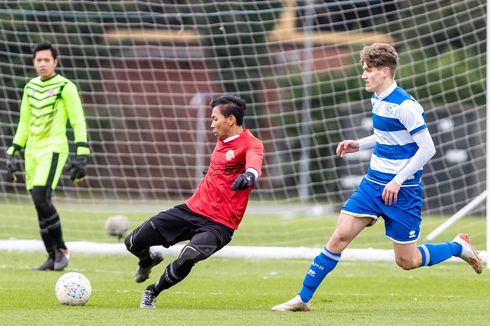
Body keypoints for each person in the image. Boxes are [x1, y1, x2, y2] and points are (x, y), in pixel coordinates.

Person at [271, 43, 482, 312]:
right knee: (339, 236)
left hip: (402, 192)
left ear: (385, 71)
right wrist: (359, 144)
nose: (364, 75)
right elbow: (386, 137)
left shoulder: (405, 105)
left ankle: (457, 247)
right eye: (363, 70)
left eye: (368, 70)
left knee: (407, 261)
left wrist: (398, 180)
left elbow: (428, 148)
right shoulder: (377, 98)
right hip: (372, 186)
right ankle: (303, 298)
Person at [125, 94, 264, 309]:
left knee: (189, 256)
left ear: (231, 120)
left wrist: (249, 176)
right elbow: (223, 168)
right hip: (190, 210)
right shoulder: (222, 141)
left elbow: (254, 163)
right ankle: (148, 260)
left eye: (215, 119)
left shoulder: (252, 144)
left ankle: (153, 291)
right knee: (133, 241)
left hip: (220, 225)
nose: (211, 124)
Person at [5, 43, 90, 271]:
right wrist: (14, 151)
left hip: (53, 149)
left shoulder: (65, 87)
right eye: (38, 60)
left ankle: (61, 249)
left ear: (55, 62)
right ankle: (52, 256)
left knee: (42, 197)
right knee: (38, 202)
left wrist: (81, 152)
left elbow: (78, 120)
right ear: (33, 63)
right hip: (31, 151)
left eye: (46, 60)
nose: (42, 64)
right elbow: (23, 123)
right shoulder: (30, 88)